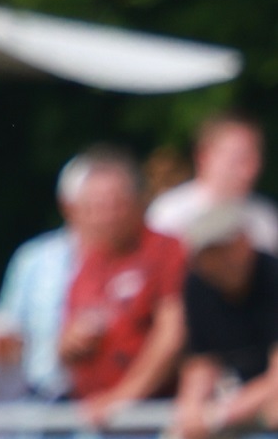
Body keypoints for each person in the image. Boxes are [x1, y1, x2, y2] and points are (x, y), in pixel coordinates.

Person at [61, 148, 188, 419]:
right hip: (96, 417)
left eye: (113, 204)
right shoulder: (89, 263)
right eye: (93, 207)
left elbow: (171, 336)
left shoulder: (166, 251)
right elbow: (65, 347)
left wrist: (121, 399)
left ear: (137, 202)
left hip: (151, 416)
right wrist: (69, 344)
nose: (104, 216)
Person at [170, 203, 278, 439]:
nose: (220, 261)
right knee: (183, 434)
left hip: (254, 402)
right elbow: (202, 362)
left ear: (245, 242)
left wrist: (218, 416)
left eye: (225, 249)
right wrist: (191, 410)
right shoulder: (196, 288)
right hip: (240, 399)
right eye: (210, 253)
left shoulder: (273, 277)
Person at [0, 155, 95, 400]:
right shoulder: (34, 259)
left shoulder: (138, 258)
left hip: (108, 396)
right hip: (43, 397)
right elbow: (7, 333)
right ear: (67, 205)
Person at [150, 115, 278, 255]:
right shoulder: (169, 215)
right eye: (239, 159)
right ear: (205, 156)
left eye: (256, 158)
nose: (250, 170)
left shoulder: (265, 218)